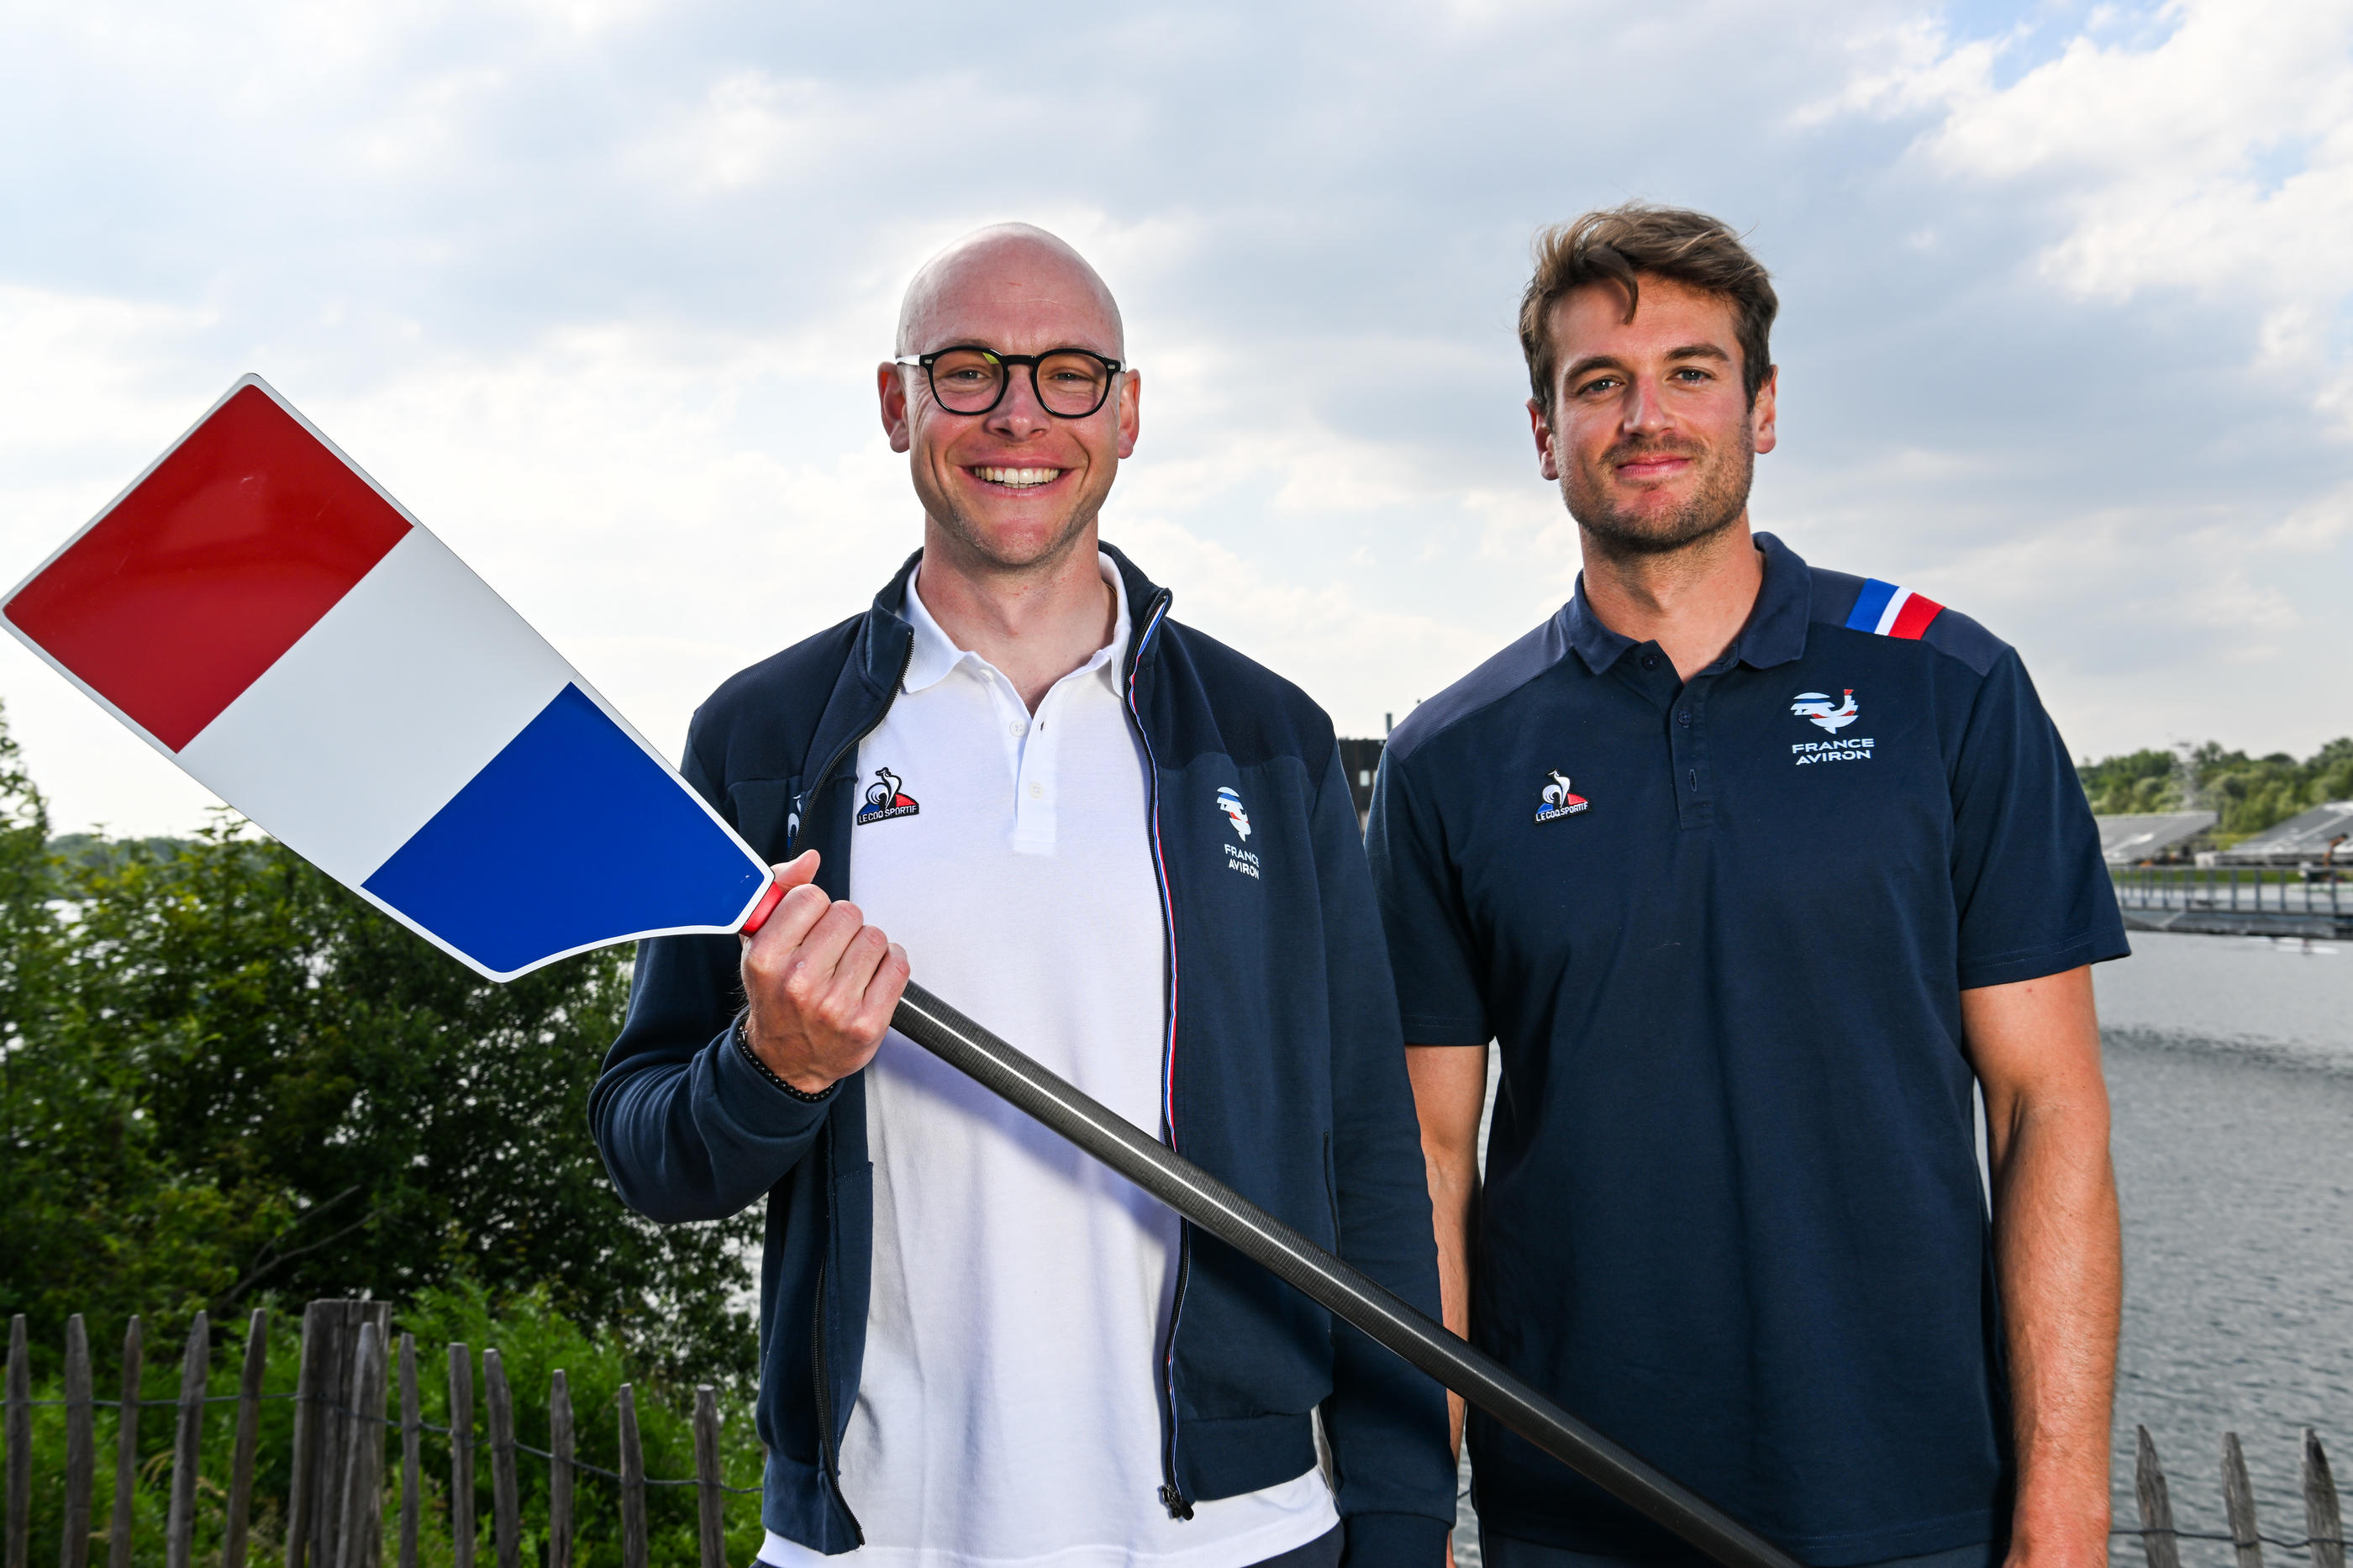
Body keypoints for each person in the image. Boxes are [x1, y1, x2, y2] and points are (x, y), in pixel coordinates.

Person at [591, 224, 1453, 1568]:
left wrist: (1399, 1523)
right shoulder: (767, 737)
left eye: (1067, 374)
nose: (1017, 415)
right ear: (898, 404)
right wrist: (774, 1069)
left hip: (1238, 1536)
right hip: (879, 1540)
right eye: (969, 368)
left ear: (1126, 414)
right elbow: (646, 1147)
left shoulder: (1272, 738)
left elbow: (1368, 1160)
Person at [1366, 206, 2127, 1568]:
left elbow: (2047, 1109)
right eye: (1598, 382)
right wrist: (1419, 1502)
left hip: (1920, 1504)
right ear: (1545, 434)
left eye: (1691, 372)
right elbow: (1427, 1161)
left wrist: (2062, 1509)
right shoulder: (1447, 759)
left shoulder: (1951, 687)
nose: (1644, 415)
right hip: (1574, 1516)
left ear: (1763, 408)